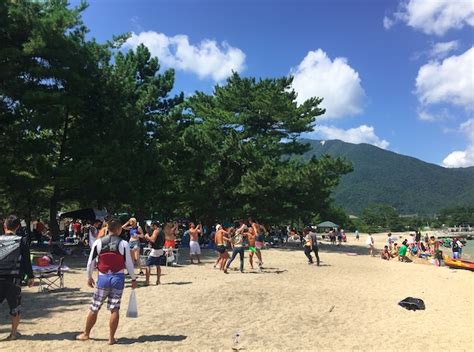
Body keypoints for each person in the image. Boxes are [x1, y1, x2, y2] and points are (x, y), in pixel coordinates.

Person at [77, 218, 137, 345]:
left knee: (94, 307)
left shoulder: (98, 243)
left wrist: (89, 277)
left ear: (107, 228)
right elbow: (129, 263)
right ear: (119, 229)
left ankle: (86, 333)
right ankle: (111, 338)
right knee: (114, 308)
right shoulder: (124, 244)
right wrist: (133, 278)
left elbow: (90, 263)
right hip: (118, 278)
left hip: (103, 278)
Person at [0, 215, 34, 341]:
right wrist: (30, 277)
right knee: (15, 307)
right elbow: (26, 260)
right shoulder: (22, 240)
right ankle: (13, 334)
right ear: (18, 227)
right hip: (14, 279)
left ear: (5, 226)